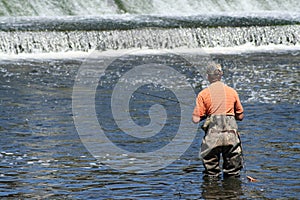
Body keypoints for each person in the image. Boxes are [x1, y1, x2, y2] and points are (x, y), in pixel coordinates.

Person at [192, 62, 244, 178]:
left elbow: (195, 119)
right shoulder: (232, 92)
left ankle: (212, 192)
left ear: (208, 76)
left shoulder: (203, 94)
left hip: (212, 138)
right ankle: (232, 193)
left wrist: (205, 115)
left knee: (211, 174)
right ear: (221, 75)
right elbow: (240, 117)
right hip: (231, 137)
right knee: (233, 173)